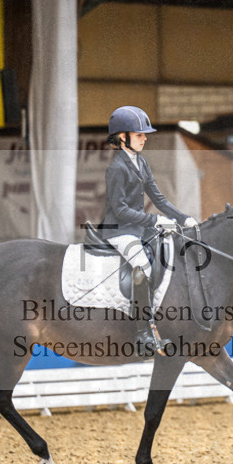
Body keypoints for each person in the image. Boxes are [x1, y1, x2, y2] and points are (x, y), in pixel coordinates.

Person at [99, 105, 196, 354]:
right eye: (139, 134)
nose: (144, 138)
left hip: (137, 229)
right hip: (118, 230)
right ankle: (142, 332)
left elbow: (159, 198)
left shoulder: (141, 163)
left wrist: (183, 218)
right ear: (123, 137)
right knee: (143, 267)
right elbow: (120, 210)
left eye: (144, 135)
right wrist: (154, 220)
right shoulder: (116, 168)